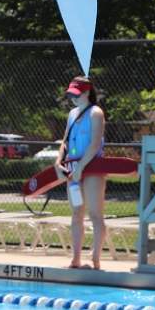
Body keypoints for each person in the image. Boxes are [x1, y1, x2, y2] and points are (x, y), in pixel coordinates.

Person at [54, 76, 108, 270]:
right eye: (71, 94)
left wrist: (82, 168)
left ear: (87, 93)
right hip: (73, 170)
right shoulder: (72, 114)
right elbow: (65, 141)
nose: (73, 98)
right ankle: (76, 258)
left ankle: (95, 259)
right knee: (77, 212)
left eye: (77, 94)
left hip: (92, 169)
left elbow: (94, 144)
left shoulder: (96, 113)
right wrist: (58, 162)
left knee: (95, 214)